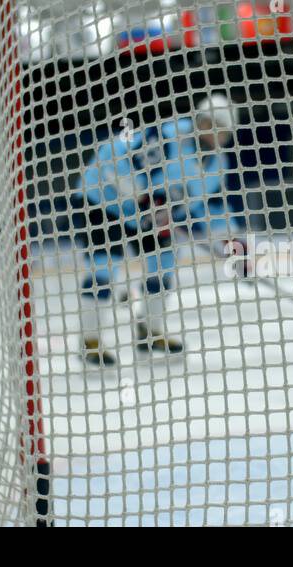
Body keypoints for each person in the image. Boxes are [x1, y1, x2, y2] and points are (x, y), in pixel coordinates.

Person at [75, 94, 243, 367]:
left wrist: (231, 244)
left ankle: (150, 331)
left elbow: (207, 209)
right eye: (208, 122)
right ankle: (89, 340)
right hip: (101, 201)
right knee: (104, 266)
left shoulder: (218, 167)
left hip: (151, 216)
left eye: (220, 128)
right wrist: (143, 197)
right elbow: (113, 161)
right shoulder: (167, 137)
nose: (213, 131)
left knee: (164, 263)